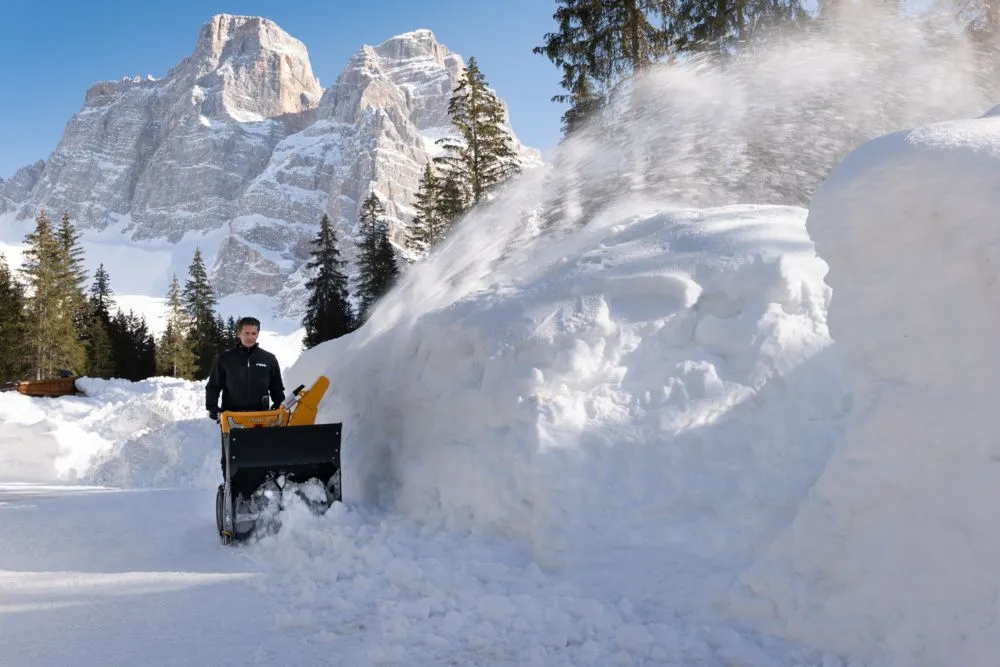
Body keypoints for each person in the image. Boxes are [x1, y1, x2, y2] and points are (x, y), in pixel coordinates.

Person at [205, 316, 285, 421]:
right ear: (239, 334)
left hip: (261, 416)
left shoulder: (268, 359)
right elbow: (213, 386)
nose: (250, 337)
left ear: (258, 334)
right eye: (246, 333)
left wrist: (279, 403)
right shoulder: (225, 359)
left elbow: (276, 386)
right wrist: (212, 407)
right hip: (231, 417)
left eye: (253, 333)